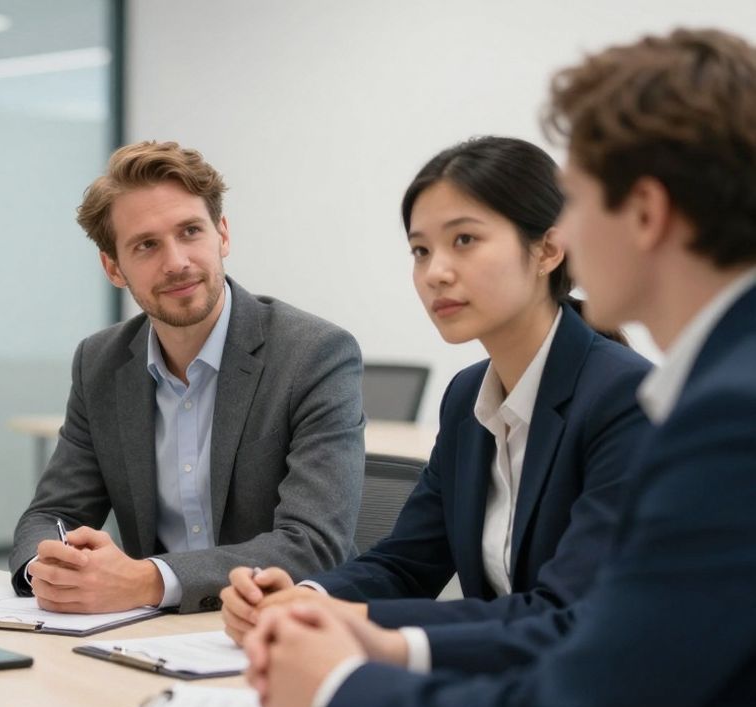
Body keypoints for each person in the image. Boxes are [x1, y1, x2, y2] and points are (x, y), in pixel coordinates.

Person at [243, 28, 756, 707]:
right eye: (420, 250)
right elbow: (594, 647)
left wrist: (338, 688)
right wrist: (331, 610)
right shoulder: (713, 387)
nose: (435, 273)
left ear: (644, 211)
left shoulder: (719, 416)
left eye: (575, 202)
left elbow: (576, 706)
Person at [220, 137, 652, 660]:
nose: (435, 272)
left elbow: (564, 612)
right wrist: (304, 596)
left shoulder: (624, 398)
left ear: (548, 250)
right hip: (497, 687)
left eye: (464, 240)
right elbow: (407, 564)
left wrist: (348, 620)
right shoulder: (468, 396)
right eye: (420, 250)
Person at [8, 140, 365, 614]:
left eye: (190, 231)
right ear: (113, 266)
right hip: (149, 632)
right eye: (147, 245)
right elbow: (56, 513)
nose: (176, 261)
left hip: (278, 624)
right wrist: (47, 567)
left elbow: (312, 543)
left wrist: (148, 580)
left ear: (223, 235)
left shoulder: (313, 354)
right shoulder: (101, 362)